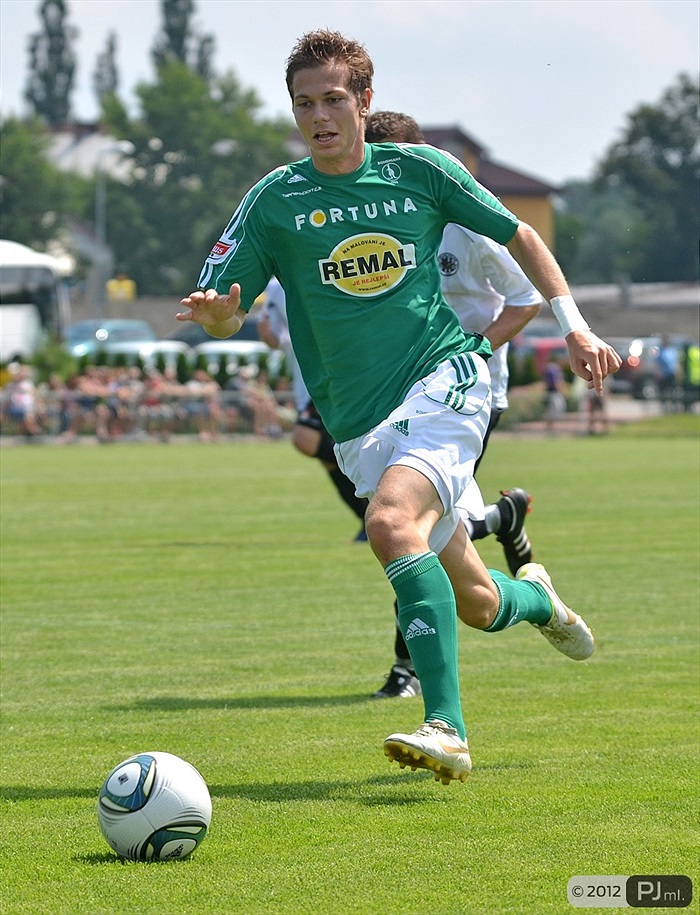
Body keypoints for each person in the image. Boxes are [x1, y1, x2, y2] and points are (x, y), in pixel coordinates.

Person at [178, 29, 621, 785]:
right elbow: (227, 309)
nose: (319, 117)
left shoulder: (420, 171)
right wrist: (219, 312)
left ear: (364, 101)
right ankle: (540, 599)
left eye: (333, 100)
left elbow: (520, 234)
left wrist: (574, 325)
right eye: (305, 104)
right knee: (479, 601)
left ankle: (446, 725)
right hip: (358, 425)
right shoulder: (275, 200)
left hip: (445, 378)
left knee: (388, 524)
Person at [365, 110, 543, 699]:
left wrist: (472, 349)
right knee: (422, 528)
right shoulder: (376, 226)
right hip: (400, 391)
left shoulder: (466, 225)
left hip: (470, 392)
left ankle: (409, 669)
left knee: (407, 526)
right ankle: (502, 522)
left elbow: (524, 300)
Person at [258, 276, 370, 539]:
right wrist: (267, 335)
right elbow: (276, 338)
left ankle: (374, 484)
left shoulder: (324, 266)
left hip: (334, 376)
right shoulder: (275, 286)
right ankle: (367, 518)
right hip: (304, 381)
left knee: (305, 439)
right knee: (326, 458)